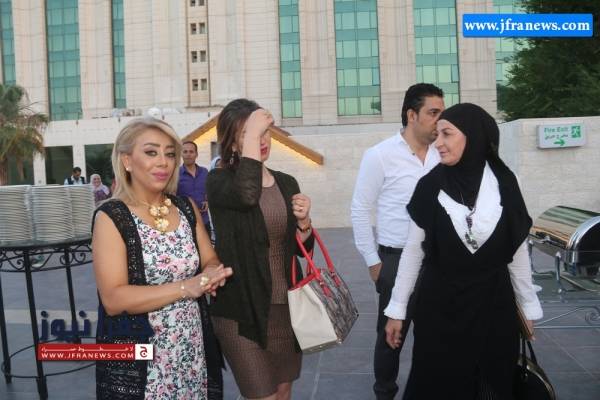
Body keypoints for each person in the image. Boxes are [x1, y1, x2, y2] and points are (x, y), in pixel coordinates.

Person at [384, 103, 543, 399]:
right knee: (437, 384)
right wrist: (397, 311)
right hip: (440, 310)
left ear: (474, 136)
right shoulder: (429, 186)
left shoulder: (506, 183)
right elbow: (413, 253)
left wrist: (527, 305)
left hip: (494, 308)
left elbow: (517, 251)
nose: (438, 143)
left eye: (447, 134)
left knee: (491, 385)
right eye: (437, 135)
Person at [92, 117, 233, 399]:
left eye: (170, 154)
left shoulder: (186, 207)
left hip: (191, 348)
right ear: (127, 160)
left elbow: (210, 259)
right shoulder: (112, 216)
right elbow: (113, 299)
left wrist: (212, 272)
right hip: (143, 356)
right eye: (151, 152)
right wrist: (186, 287)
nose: (163, 162)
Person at [206, 99, 314, 400]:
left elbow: (299, 249)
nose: (261, 140)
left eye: (264, 131)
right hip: (241, 311)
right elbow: (247, 195)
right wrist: (253, 134)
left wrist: (304, 224)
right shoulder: (219, 181)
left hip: (286, 308)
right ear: (232, 143)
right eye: (247, 134)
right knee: (263, 396)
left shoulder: (287, 182)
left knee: (283, 392)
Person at [350, 83, 444, 400]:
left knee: (436, 335)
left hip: (438, 261)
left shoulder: (444, 153)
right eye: (433, 112)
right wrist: (373, 262)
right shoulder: (380, 155)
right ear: (411, 115)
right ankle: (385, 393)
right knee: (391, 335)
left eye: (442, 113)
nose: (440, 120)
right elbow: (360, 209)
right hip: (396, 259)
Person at [177, 141, 211, 234]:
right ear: (181, 154)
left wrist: (207, 201)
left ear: (196, 154)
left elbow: (209, 191)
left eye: (191, 152)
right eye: (185, 152)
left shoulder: (204, 172)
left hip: (204, 221)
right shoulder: (176, 174)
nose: (188, 154)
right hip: (185, 222)